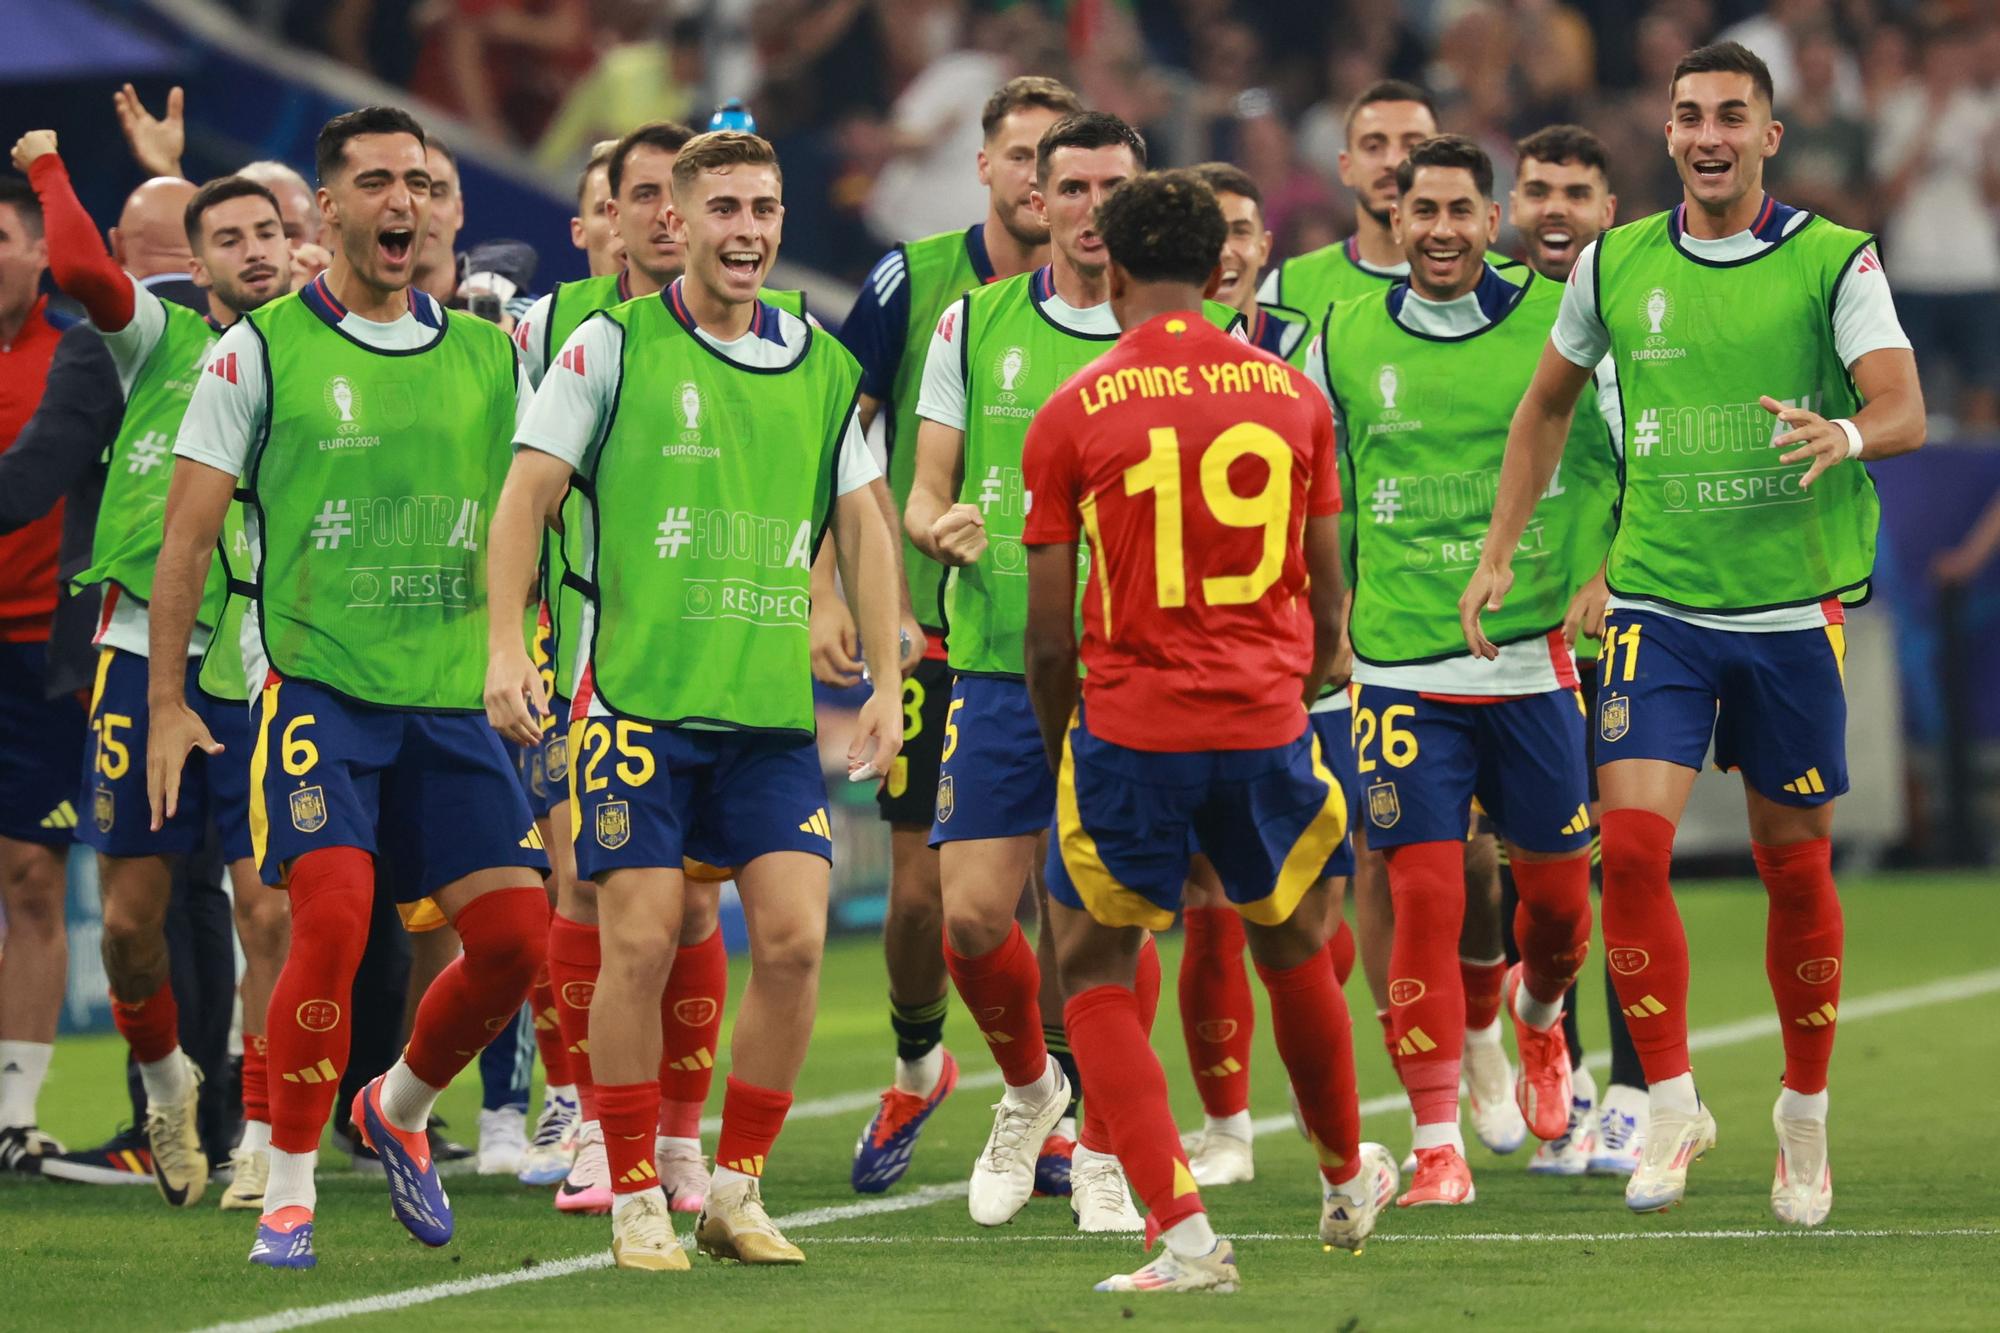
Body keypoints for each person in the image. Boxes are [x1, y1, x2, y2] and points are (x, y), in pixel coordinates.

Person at [1461, 41, 1925, 1223]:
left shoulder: (1832, 259)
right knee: (1628, 854)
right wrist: (1500, 549)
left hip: (1786, 609)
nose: (1706, 133)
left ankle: (1801, 1115)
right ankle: (1666, 1100)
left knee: (1791, 866)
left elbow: (1901, 403)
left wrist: (1847, 437)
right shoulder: (1613, 265)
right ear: (1663, 135)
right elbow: (1542, 413)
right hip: (1657, 604)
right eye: (1686, 115)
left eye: (1730, 114)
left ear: (1769, 135)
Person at [487, 129, 903, 1271]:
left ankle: (734, 1187)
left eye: (764, 208)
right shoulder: (607, 349)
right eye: (723, 208)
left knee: (794, 940)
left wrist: (888, 680)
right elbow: (525, 497)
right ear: (676, 219)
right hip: (634, 705)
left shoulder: (820, 364)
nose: (747, 231)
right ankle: (630, 1188)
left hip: (766, 718)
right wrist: (502, 646)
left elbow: (862, 527)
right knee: (634, 942)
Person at [146, 105, 551, 1268]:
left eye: (419, 183)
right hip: (317, 688)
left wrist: (521, 646)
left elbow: (528, 517)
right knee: (326, 915)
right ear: (325, 209)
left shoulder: (489, 356)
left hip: (450, 698)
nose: (401, 202)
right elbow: (187, 538)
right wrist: (172, 699)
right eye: (374, 182)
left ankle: (400, 1108)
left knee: (518, 940)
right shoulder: (258, 349)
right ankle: (285, 1187)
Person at [1022, 168, 1394, 1294]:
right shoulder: (1290, 395)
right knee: (1290, 952)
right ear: (1218, 264)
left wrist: (1062, 750)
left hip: (1132, 728)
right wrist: (1299, 668)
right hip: (1265, 721)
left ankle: (1184, 1240)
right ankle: (1341, 1179)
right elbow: (1333, 601)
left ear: (1112, 266)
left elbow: (1047, 637)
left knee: (1090, 970)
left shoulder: (1070, 410)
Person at [905, 110, 1235, 1232]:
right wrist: (934, 524)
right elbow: (923, 485)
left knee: (1104, 921)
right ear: (1035, 202)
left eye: (1114, 187)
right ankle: (1028, 1087)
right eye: (1074, 186)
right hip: (1000, 664)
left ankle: (1100, 1138)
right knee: (970, 922)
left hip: (1132, 674)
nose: (1093, 207)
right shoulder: (973, 322)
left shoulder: (1182, 340)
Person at [512, 119, 803, 1217]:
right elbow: (513, 487)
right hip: (578, 654)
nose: (652, 215)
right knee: (584, 883)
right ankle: (589, 1117)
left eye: (657, 193)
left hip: (712, 659)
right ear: (601, 217)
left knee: (682, 907)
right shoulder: (554, 331)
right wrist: (507, 635)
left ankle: (671, 1137)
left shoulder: (775, 338)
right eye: (631, 196)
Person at [1307, 134, 1602, 1208]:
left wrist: (1600, 571)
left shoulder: (1558, 322)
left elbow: (1617, 459)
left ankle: (1527, 1017)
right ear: (1392, 216)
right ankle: (1435, 1138)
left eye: (1458, 211)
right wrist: (1324, 620)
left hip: (1530, 662)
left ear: (1492, 220)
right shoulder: (1337, 337)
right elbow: (1316, 488)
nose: (1436, 229)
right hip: (1397, 668)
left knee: (1558, 912)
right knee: (1423, 893)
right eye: (1416, 209)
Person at [12, 133, 300, 1211]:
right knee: (130, 921)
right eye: (229, 238)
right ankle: (167, 1086)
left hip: (267, 658)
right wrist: (48, 168)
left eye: (269, 232)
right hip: (140, 648)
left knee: (265, 909)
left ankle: (265, 1135)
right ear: (195, 263)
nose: (255, 251)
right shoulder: (157, 340)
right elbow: (85, 274)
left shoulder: (324, 353)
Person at [834, 73, 1082, 1198]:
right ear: (982, 166)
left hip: (1079, 648)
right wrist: (834, 593)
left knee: (1060, 888)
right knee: (927, 896)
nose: (1040, 180)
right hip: (942, 641)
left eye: (1061, 161)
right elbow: (842, 444)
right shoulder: (918, 284)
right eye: (1023, 156)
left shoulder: (1114, 293)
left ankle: (1059, 1103)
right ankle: (918, 1060)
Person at [1162, 159, 1361, 1190]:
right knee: (1206, 902)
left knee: (1314, 916)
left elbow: (1343, 498)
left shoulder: (1307, 356)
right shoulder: (1141, 365)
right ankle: (1227, 1124)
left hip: (1311, 672)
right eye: (1214, 232)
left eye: (1244, 231)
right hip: (1205, 678)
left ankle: (1315, 1100)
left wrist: (1339, 629)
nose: (1230, 250)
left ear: (1262, 249)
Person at [1504, 123, 1649, 1179]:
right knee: (1541, 874)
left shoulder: (1638, 318)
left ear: (1608, 209)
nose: (1554, 209)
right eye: (1537, 189)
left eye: (1575, 191)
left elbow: (1658, 465)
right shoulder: (1492, 326)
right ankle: (1574, 1065)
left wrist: (1609, 568)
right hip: (1503, 644)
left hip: (1619, 628)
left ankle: (1639, 1090)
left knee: (1626, 859)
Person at [0, 175, 81, 1176]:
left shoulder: (82, 353)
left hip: (43, 655)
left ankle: (13, 1114)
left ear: (36, 252)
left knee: (31, 876)